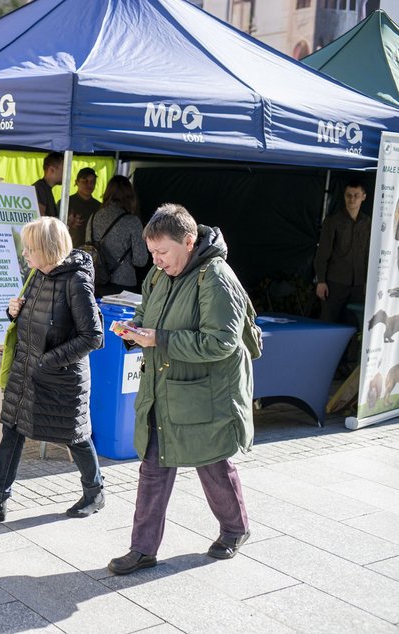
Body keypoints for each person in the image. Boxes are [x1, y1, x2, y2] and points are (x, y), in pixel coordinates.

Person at [107, 204, 258, 575]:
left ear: (189, 242)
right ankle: (142, 549)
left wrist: (159, 338)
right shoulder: (158, 276)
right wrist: (134, 332)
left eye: (162, 253)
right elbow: (147, 318)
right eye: (152, 253)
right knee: (153, 468)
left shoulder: (216, 277)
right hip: (164, 388)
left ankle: (235, 529)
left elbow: (221, 342)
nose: (156, 261)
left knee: (213, 465)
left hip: (207, 396)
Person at [0, 216, 106, 522]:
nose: (24, 254)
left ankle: (95, 492)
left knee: (75, 436)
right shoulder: (38, 274)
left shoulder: (76, 281)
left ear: (48, 249)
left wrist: (46, 361)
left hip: (60, 378)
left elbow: (93, 337)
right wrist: (13, 311)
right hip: (28, 372)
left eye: (30, 249)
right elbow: (34, 317)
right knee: (12, 430)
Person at [314, 181, 370, 325]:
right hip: (335, 283)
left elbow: (368, 254)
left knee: (354, 326)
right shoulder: (333, 221)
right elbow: (322, 253)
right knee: (328, 322)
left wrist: (367, 282)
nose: (352, 199)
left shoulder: (368, 223)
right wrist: (321, 281)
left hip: (358, 285)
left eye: (356, 195)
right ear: (344, 197)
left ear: (363, 197)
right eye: (348, 195)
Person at [88, 175, 149, 296]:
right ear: (130, 196)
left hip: (96, 282)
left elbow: (89, 250)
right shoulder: (132, 221)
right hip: (124, 285)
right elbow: (140, 260)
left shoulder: (94, 217)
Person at [60, 167, 101, 248]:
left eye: (92, 182)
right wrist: (68, 223)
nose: (89, 185)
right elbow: (54, 229)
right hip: (69, 250)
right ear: (76, 182)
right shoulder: (65, 203)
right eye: (85, 181)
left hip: (92, 253)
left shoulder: (100, 206)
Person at [33, 152, 64, 218]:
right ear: (51, 170)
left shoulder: (45, 188)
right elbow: (40, 218)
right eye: (63, 170)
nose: (66, 174)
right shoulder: (39, 188)